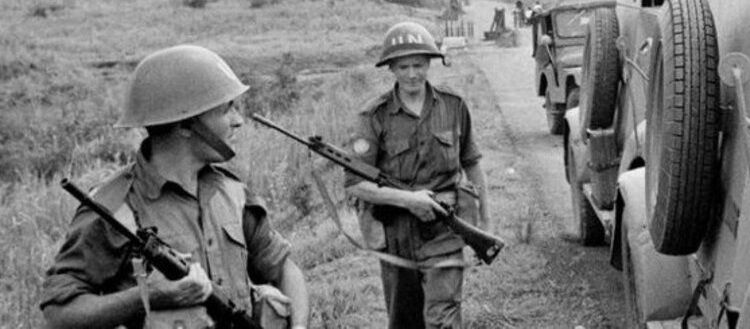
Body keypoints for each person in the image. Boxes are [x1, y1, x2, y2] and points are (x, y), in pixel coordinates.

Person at [40, 44, 309, 329]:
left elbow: (284, 270)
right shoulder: (113, 209)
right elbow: (59, 312)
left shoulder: (233, 193)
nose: (238, 120)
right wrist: (148, 296)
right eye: (226, 109)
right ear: (185, 124)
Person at [345, 22, 490, 329]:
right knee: (405, 321)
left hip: (445, 231)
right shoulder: (374, 116)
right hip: (396, 236)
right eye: (404, 66)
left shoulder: (453, 106)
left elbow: (472, 164)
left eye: (419, 65)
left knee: (443, 320)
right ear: (391, 69)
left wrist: (484, 224)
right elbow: (356, 184)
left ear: (430, 64)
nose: (412, 74)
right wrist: (407, 199)